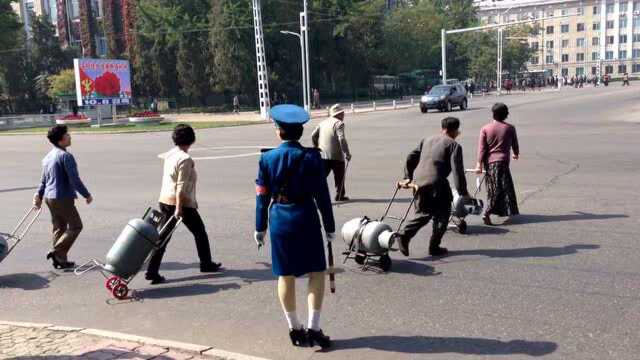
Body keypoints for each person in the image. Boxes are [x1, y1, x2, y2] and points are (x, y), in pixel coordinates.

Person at [254, 105, 335, 349]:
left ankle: (294, 328)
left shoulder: (267, 158)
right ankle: (314, 327)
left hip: (279, 220)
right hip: (306, 217)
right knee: (316, 272)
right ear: (300, 132)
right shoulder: (313, 157)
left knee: (285, 274)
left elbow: (262, 197)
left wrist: (260, 228)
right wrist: (329, 226)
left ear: (279, 132)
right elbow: (323, 196)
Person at [146, 124, 222, 284]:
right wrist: (179, 208)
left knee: (164, 237)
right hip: (180, 204)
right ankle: (205, 264)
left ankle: (152, 271)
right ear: (191, 139)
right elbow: (180, 186)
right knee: (198, 233)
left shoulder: (171, 153)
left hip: (165, 200)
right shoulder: (185, 159)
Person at [395, 117, 470, 258]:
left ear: (443, 128)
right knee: (443, 214)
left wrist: (408, 176)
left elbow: (411, 156)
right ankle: (431, 245)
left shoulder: (427, 140)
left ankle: (406, 236)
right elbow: (457, 171)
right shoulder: (454, 145)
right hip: (437, 183)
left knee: (423, 214)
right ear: (454, 131)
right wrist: (463, 192)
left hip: (418, 182)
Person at [33, 125, 93, 270]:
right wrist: (87, 194)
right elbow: (74, 180)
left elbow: (43, 181)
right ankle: (57, 252)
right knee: (76, 226)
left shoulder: (47, 157)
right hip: (62, 197)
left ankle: (60, 260)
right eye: (67, 134)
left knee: (59, 228)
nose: (70, 136)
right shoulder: (66, 156)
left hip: (49, 197)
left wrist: (38, 195)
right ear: (60, 140)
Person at [474, 103, 520, 226]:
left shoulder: (485, 128)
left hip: (490, 163)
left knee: (493, 188)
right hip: (503, 162)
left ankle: (498, 211)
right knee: (501, 188)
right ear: (505, 115)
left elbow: (482, 149)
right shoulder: (510, 128)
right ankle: (487, 212)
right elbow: (514, 144)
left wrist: (479, 164)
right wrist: (516, 153)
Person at [311, 104, 352, 201]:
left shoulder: (323, 122)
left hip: (323, 154)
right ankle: (339, 195)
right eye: (342, 113)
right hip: (336, 155)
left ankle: (312, 195)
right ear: (339, 114)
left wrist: (316, 146)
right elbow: (341, 139)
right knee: (339, 176)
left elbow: (313, 135)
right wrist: (347, 153)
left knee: (321, 177)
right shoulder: (339, 123)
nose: (343, 115)